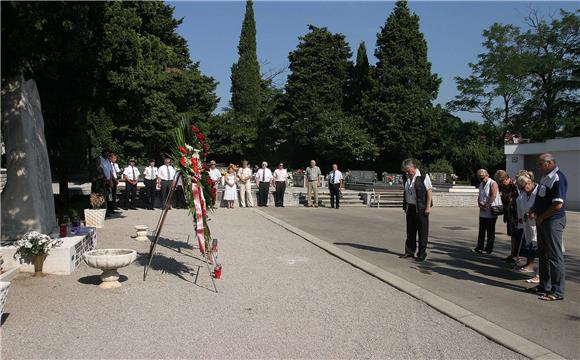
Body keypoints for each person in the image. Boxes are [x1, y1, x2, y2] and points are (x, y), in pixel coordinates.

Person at [528, 153, 568, 301]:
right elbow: (541, 198)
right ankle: (544, 285)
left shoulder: (557, 178)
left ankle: (557, 291)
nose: (538, 167)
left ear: (549, 163)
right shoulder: (545, 177)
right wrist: (533, 209)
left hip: (552, 221)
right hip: (543, 220)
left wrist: (543, 217)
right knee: (543, 254)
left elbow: (558, 204)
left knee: (555, 256)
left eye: (540, 164)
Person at [400, 159, 433, 262]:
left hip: (421, 208)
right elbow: (406, 192)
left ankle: (422, 253)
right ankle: (409, 251)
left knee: (422, 231)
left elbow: (429, 191)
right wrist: (406, 206)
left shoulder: (423, 176)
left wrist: (428, 207)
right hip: (410, 207)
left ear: (413, 168)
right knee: (410, 231)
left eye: (408, 170)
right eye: (405, 171)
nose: (406, 172)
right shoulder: (405, 177)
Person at [515, 171, 539, 282]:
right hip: (529, 225)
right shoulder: (525, 194)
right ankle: (535, 271)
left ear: (529, 182)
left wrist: (534, 214)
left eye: (524, 188)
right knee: (532, 248)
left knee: (541, 251)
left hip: (539, 225)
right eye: (521, 189)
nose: (524, 191)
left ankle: (540, 275)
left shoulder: (539, 192)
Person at [473, 169, 502, 254]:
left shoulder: (493, 183)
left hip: (490, 210)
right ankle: (479, 247)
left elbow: (493, 195)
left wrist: (487, 205)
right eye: (480, 178)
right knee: (481, 230)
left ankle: (488, 249)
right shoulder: (481, 184)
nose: (482, 179)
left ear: (487, 175)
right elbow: (480, 195)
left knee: (490, 231)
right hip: (482, 210)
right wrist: (479, 203)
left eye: (482, 177)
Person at [494, 170, 520, 263]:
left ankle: (516, 255)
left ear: (506, 178)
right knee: (512, 235)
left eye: (501, 182)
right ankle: (513, 254)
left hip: (516, 215)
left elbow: (518, 200)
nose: (500, 184)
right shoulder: (505, 186)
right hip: (509, 214)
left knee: (516, 235)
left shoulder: (515, 186)